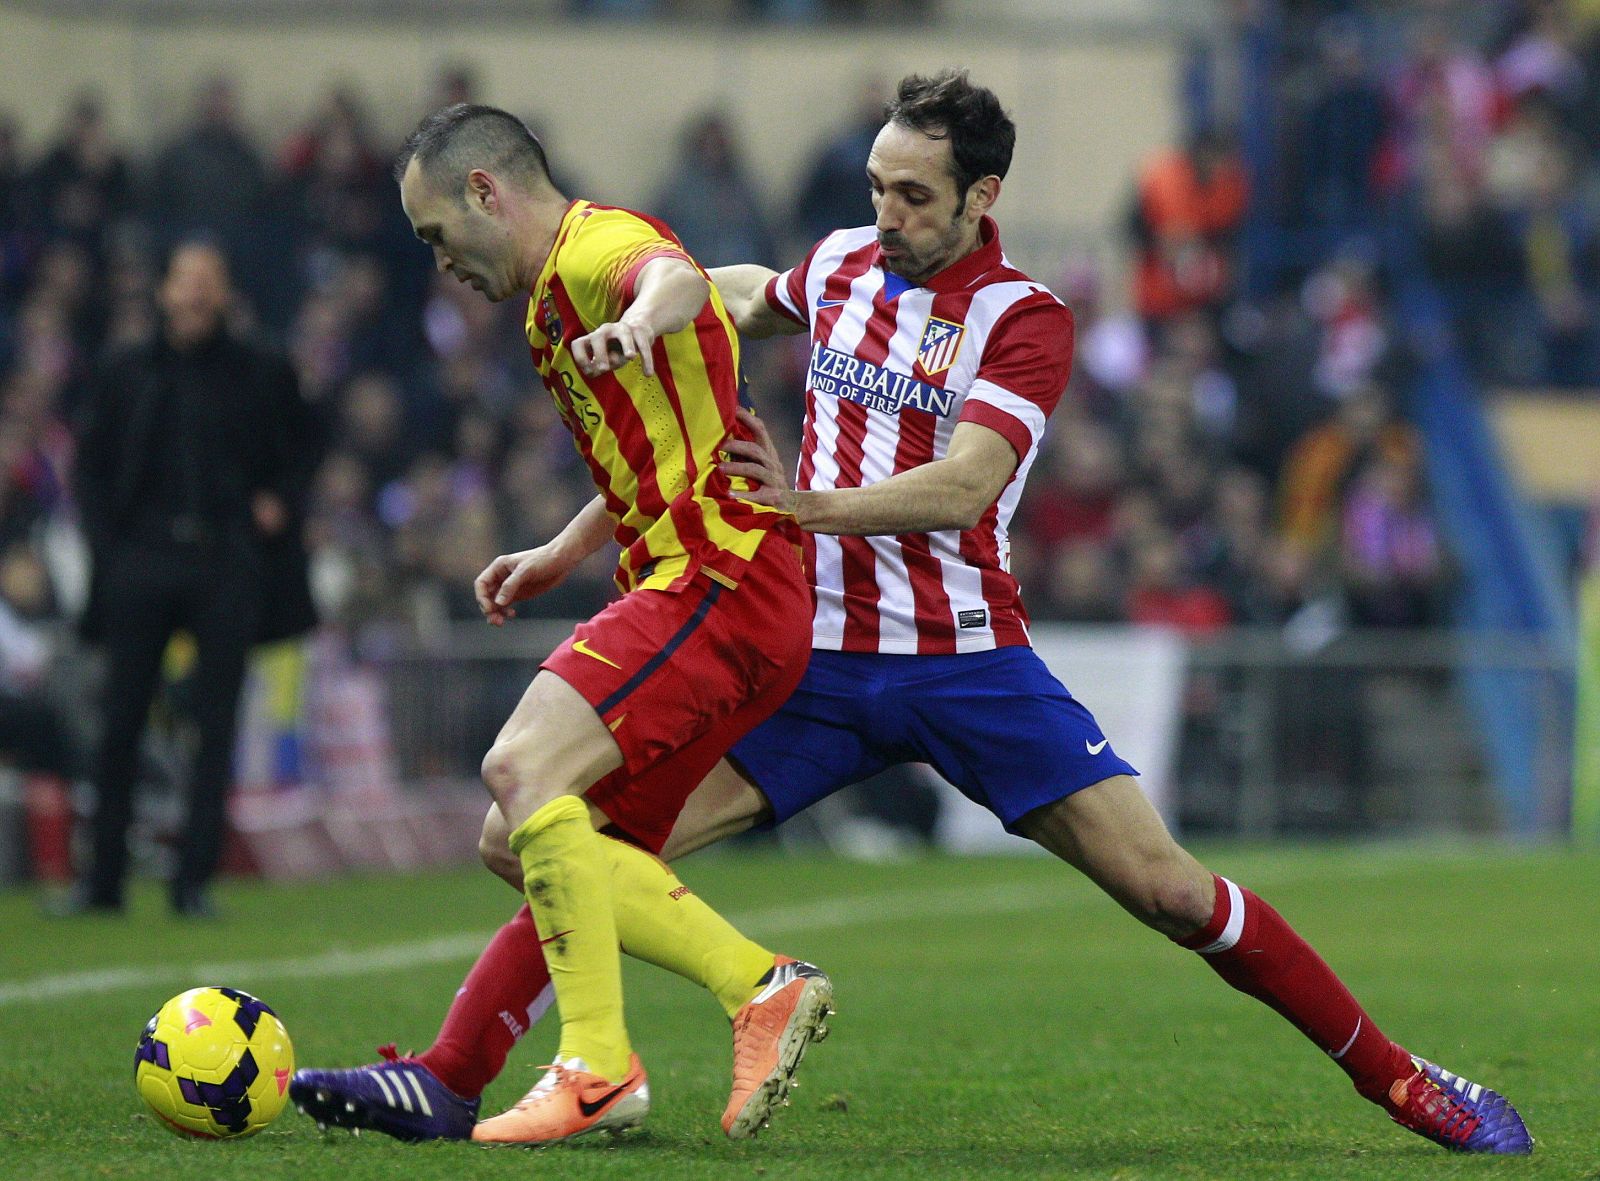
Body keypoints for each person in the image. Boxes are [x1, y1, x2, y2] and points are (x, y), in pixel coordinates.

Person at [294, 73, 1532, 1156]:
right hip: (809, 661)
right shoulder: (840, 266)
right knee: (571, 838)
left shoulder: (1025, 319)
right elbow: (716, 293)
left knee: (1167, 889)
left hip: (963, 658)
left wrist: (802, 507)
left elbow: (970, 482)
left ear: (980, 199)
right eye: (879, 186)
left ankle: (1403, 1078)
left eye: (914, 198)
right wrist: (648, 319)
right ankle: (452, 1077)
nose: (885, 215)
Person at [292, 104, 832, 1147]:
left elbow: (668, 275)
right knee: (531, 842)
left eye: (436, 234)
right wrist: (562, 549)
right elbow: (654, 442)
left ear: (486, 192)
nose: (438, 261)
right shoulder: (551, 299)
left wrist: (648, 314)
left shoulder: (597, 250)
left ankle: (608, 1057)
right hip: (716, 584)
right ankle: (452, 1077)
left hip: (717, 580)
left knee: (518, 769)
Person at [69, 240, 320, 917]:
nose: (195, 293)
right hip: (142, 559)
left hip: (223, 561)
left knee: (216, 725)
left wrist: (278, 503)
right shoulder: (124, 369)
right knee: (120, 721)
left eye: (208, 280)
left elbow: (303, 450)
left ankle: (193, 879)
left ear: (227, 292)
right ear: (164, 291)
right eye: (185, 280)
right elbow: (89, 467)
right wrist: (110, 549)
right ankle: (103, 881)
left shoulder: (263, 370)